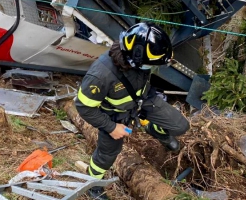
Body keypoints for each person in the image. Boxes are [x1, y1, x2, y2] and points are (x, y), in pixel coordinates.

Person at [75, 22, 190, 199]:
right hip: (114, 116)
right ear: (134, 59)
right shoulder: (100, 75)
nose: (150, 69)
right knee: (107, 155)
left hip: (143, 101)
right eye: (148, 65)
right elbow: (84, 107)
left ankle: (154, 129)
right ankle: (93, 185)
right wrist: (111, 127)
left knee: (180, 125)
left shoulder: (140, 58)